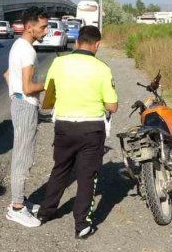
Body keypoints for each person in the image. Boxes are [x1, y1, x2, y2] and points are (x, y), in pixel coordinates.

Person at [36, 26, 118, 239]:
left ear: (78, 41)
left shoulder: (59, 62)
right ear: (96, 45)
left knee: (60, 169)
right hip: (91, 128)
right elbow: (112, 106)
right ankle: (82, 224)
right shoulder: (102, 69)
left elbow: (49, 91)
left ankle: (46, 211)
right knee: (87, 176)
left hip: (63, 126)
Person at [4, 7, 50, 228]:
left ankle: (20, 200)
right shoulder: (28, 51)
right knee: (23, 157)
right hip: (25, 104)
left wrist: (15, 92)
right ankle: (16, 207)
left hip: (19, 102)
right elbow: (29, 86)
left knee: (23, 154)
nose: (46, 30)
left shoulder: (19, 46)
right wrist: (50, 84)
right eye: (43, 26)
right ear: (30, 27)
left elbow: (7, 75)